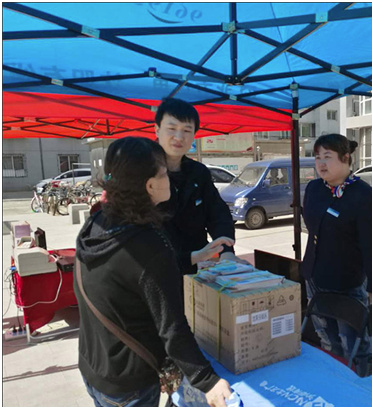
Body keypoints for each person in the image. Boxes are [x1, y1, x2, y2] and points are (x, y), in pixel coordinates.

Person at [75, 137, 233, 407]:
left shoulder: (99, 222)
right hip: (129, 383)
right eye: (164, 173)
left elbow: (133, 274)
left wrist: (194, 257)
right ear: (150, 186)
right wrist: (207, 381)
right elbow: (172, 328)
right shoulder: (148, 244)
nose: (169, 179)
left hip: (95, 365)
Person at [301, 133, 372, 377]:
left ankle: (364, 384)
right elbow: (312, 227)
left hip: (347, 281)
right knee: (326, 338)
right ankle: (335, 380)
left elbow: (370, 244)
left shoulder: (364, 195)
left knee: (353, 341)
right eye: (317, 157)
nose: (321, 163)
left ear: (345, 158)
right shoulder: (314, 189)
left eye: (327, 157)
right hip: (315, 276)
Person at [155, 98, 248, 274]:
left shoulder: (198, 172)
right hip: (156, 268)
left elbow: (217, 213)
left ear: (194, 135)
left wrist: (226, 251)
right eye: (172, 129)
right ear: (157, 129)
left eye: (186, 130)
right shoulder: (142, 169)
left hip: (197, 267)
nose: (179, 137)